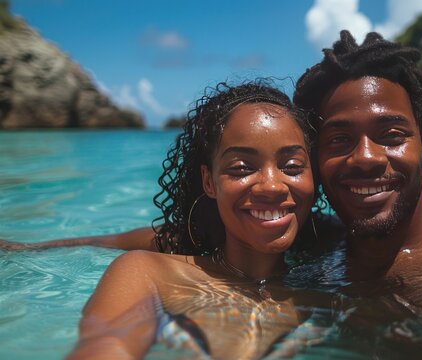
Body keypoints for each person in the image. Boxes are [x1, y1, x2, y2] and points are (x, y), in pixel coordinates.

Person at [2, 31, 422, 359]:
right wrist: (29, 246)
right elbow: (159, 245)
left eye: (390, 135)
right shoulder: (311, 241)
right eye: (338, 141)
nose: (364, 158)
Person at [67, 81, 319, 359]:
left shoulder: (330, 288)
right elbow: (106, 345)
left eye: (293, 167)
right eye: (241, 168)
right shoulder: (150, 275)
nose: (272, 186)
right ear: (209, 181)